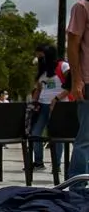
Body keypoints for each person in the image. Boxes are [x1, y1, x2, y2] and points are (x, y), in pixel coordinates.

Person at [30, 43, 70, 171]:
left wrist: (57, 98)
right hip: (43, 106)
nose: (40, 60)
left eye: (42, 57)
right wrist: (33, 103)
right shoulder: (42, 72)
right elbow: (38, 89)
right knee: (35, 133)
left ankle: (56, 164)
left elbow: (71, 84)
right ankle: (38, 162)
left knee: (56, 136)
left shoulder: (63, 66)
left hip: (59, 106)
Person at [66, 0, 89, 183]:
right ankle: (78, 187)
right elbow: (72, 44)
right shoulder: (82, 7)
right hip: (87, 80)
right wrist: (77, 79)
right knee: (86, 139)